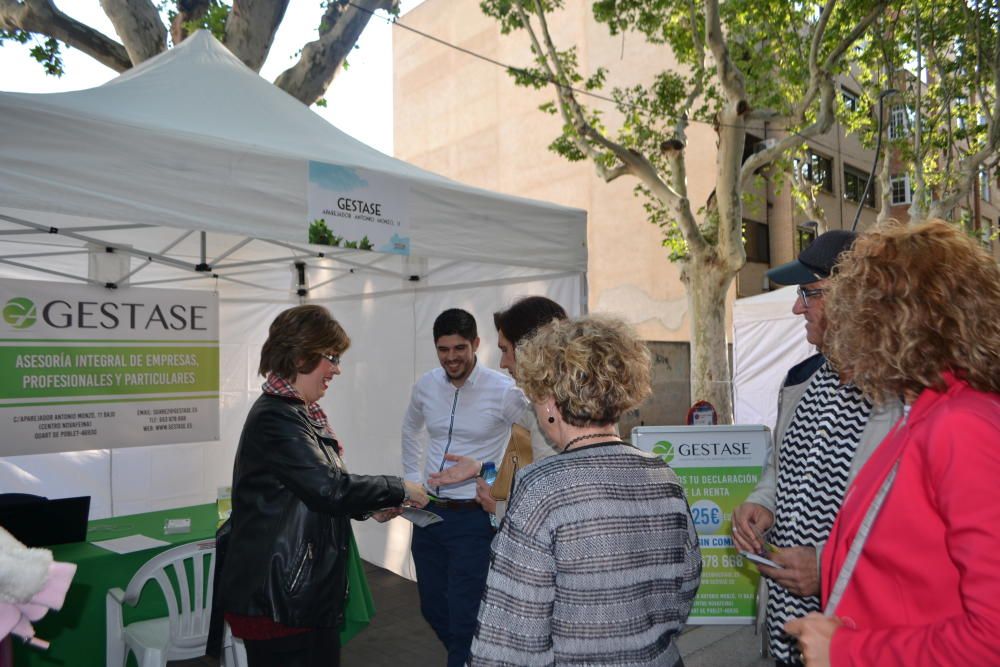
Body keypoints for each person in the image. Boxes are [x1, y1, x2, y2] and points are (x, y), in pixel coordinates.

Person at [785, 220, 1000, 666]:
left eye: (853, 304)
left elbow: (992, 638)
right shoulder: (928, 413)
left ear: (891, 318)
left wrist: (845, 650)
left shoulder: (961, 425)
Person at [468, 315, 702, 666]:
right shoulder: (662, 475)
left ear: (548, 403)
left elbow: (510, 632)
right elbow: (686, 583)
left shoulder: (541, 487)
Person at [218, 305, 428, 667]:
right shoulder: (277, 417)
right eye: (330, 357)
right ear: (300, 355)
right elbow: (329, 487)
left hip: (291, 593)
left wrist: (368, 506)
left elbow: (315, 490)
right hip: (279, 597)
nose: (337, 369)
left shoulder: (294, 412)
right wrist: (400, 488)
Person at [731, 230, 902, 666]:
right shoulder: (800, 379)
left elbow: (907, 526)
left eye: (809, 293)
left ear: (856, 297)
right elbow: (783, 466)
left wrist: (827, 566)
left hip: (862, 635)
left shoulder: (902, 394)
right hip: (790, 631)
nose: (796, 307)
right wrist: (762, 501)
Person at [401, 307, 527, 667]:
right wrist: (411, 479)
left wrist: (488, 474)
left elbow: (537, 442)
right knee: (432, 607)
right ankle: (475, 657)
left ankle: (468, 658)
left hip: (474, 520)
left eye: (459, 348)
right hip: (428, 513)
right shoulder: (425, 385)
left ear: (475, 344)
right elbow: (410, 429)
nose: (451, 357)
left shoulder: (504, 391)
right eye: (443, 349)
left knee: (465, 613)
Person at [428, 295, 567, 514]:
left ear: (529, 348)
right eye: (443, 349)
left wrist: (501, 509)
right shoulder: (540, 407)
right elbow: (520, 475)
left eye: (505, 350)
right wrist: (481, 469)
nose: (502, 363)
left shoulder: (556, 410)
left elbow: (552, 506)